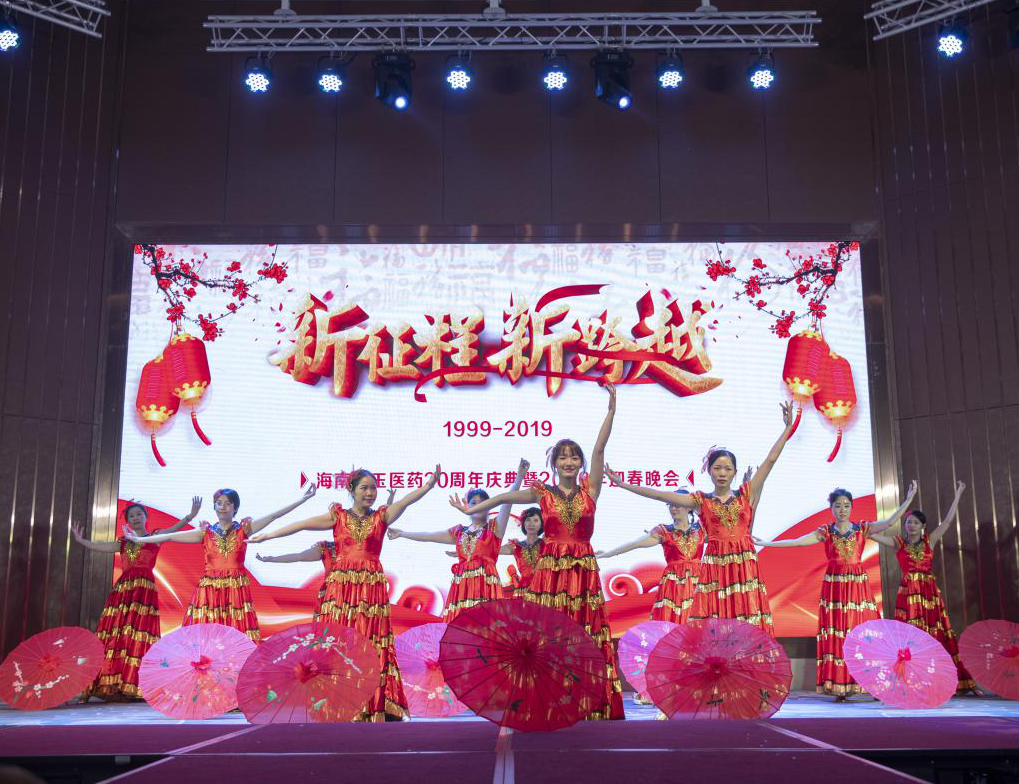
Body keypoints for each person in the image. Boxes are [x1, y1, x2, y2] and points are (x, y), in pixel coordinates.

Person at [450, 384, 624, 720]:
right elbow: (503, 498)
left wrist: (611, 412)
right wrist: (473, 510)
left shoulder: (591, 489)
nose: (569, 462)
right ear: (554, 463)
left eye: (574, 457)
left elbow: (600, 449)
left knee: (585, 632)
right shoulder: (542, 493)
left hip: (582, 572)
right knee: (551, 636)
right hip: (551, 574)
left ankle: (587, 704)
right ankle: (549, 702)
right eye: (563, 457)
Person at [249, 465, 441, 721]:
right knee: (338, 641)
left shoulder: (381, 517)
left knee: (371, 640)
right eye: (364, 488)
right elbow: (302, 525)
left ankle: (374, 704)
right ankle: (335, 703)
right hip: (340, 590)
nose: (370, 493)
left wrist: (427, 486)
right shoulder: (337, 517)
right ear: (352, 489)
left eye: (373, 488)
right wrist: (270, 535)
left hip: (370, 589)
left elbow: (406, 501)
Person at [605, 403, 796, 637]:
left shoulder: (746, 493)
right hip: (716, 567)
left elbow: (770, 460)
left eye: (727, 469)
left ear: (735, 472)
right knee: (716, 622)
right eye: (717, 468)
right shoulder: (700, 501)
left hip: (744, 566)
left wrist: (787, 428)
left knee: (747, 620)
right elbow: (659, 495)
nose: (722, 473)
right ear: (710, 471)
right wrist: (623, 484)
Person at [754, 480, 918, 699]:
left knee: (861, 630)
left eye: (846, 505)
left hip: (857, 587)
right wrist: (767, 543)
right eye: (838, 506)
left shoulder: (862, 528)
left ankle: (868, 683)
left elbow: (889, 522)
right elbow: (798, 541)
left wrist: (908, 499)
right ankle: (840, 684)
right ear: (831, 508)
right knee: (838, 632)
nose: (842, 510)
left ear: (851, 507)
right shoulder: (826, 532)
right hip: (835, 587)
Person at [127, 486, 317, 642]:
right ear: (214, 507)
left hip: (235, 587)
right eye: (219, 503)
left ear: (235, 508)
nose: (223, 507)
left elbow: (274, 516)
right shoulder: (205, 532)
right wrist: (138, 540)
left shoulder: (244, 529)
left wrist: (303, 499)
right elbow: (169, 537)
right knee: (206, 633)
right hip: (209, 589)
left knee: (236, 631)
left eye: (228, 503)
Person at [72, 497, 199, 700]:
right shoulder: (123, 542)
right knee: (118, 632)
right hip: (123, 591)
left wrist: (190, 516)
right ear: (128, 521)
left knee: (139, 633)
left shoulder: (155, 537)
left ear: (146, 517)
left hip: (144, 591)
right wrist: (81, 541)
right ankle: (112, 682)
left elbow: (173, 530)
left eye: (139, 514)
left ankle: (135, 684)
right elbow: (101, 546)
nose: (135, 518)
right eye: (131, 516)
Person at [870, 480, 976, 693]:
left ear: (923, 526)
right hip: (908, 594)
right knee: (910, 636)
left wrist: (958, 493)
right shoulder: (899, 543)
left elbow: (948, 521)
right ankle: (910, 681)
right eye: (908, 522)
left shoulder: (930, 540)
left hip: (929, 594)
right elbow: (871, 534)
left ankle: (942, 681)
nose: (911, 526)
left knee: (936, 633)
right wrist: (861, 527)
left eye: (916, 523)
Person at [389, 460, 528, 621]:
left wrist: (519, 477)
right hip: (462, 589)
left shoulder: (494, 528)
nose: (478, 506)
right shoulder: (459, 532)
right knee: (461, 627)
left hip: (485, 588)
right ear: (467, 505)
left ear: (489, 506)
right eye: (473, 503)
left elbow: (507, 502)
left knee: (485, 627)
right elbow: (429, 536)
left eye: (483, 503)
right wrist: (403, 533)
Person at [596, 500, 704, 625]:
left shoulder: (701, 529)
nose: (673, 508)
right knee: (672, 620)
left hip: (698, 580)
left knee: (700, 618)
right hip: (674, 584)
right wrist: (607, 554)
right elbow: (636, 543)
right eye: (670, 505)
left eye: (677, 505)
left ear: (689, 508)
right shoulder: (664, 531)